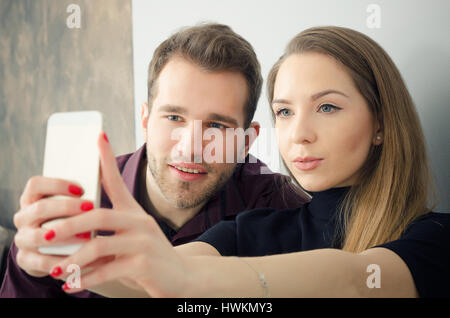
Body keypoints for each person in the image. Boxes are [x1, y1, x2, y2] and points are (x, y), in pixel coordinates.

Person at [31, 25, 450, 298]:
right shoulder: (256, 228)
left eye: (326, 108)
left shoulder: (435, 238)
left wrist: (188, 281)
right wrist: (76, 260)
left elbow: (355, 280)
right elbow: (153, 280)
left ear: (381, 123)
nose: (299, 133)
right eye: (284, 112)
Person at [0, 23, 309, 298]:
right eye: (174, 117)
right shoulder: (70, 205)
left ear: (246, 141)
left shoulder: (283, 208)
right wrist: (30, 263)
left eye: (217, 126)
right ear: (145, 120)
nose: (191, 149)